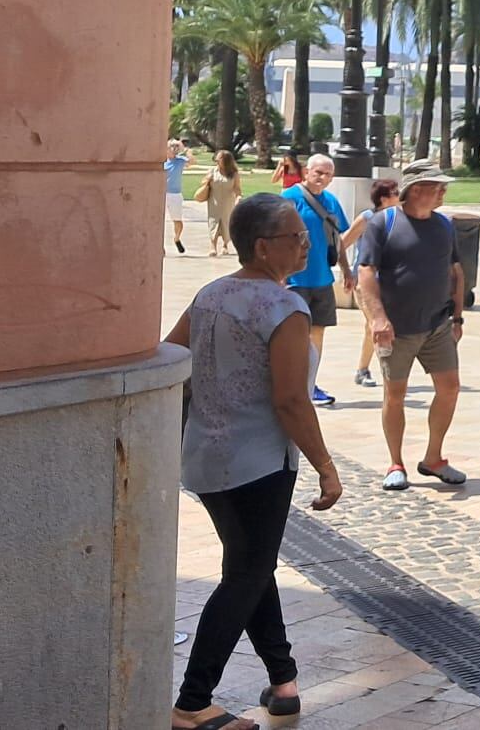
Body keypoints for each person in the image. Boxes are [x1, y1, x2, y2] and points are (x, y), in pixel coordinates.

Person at [166, 194, 342, 730]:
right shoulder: (284, 308)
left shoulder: (211, 293)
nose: (307, 243)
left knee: (252, 564)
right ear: (265, 247)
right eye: (297, 237)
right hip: (259, 463)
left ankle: (283, 679)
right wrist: (326, 467)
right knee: (246, 572)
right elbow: (291, 400)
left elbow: (171, 357)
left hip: (206, 458)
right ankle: (193, 704)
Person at [356, 159, 468, 492]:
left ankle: (433, 458)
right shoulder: (384, 223)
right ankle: (396, 462)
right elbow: (365, 273)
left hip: (437, 325)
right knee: (395, 395)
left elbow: (456, 273)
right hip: (396, 328)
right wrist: (377, 317)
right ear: (417, 190)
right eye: (438, 187)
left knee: (449, 389)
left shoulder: (445, 226)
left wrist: (458, 317)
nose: (443, 193)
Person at [283, 153, 349, 407]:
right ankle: (292, 384)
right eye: (318, 172)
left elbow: (338, 238)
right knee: (294, 336)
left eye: (328, 174)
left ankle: (310, 383)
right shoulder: (289, 199)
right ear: (306, 172)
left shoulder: (331, 201)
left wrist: (346, 270)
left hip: (322, 279)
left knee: (317, 334)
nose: (322, 178)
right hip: (294, 280)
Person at [343, 178, 401, 388]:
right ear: (384, 199)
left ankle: (366, 369)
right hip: (364, 281)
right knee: (374, 324)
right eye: (396, 193)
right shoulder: (367, 218)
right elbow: (344, 242)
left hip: (389, 282)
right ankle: (370, 370)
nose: (400, 196)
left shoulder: (399, 219)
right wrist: (346, 271)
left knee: (376, 326)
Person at [200, 150, 243, 257]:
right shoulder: (212, 171)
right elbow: (203, 183)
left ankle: (225, 245)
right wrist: (207, 180)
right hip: (214, 201)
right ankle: (213, 246)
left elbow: (237, 188)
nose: (216, 160)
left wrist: (238, 197)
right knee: (213, 222)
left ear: (226, 160)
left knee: (226, 223)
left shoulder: (234, 174)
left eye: (219, 159)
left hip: (228, 202)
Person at [165, 139, 192, 254]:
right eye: (171, 147)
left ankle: (176, 238)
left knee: (177, 220)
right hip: (162, 194)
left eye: (175, 147)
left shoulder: (180, 161)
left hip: (175, 194)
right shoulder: (162, 162)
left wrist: (186, 151)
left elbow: (191, 162)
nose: (173, 149)